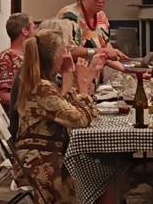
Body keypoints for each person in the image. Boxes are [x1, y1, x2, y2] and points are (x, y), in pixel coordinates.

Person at [15, 29, 98, 203]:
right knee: (98, 171)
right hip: (39, 160)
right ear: (54, 56)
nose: (68, 56)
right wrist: (82, 84)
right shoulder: (42, 87)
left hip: (48, 151)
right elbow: (79, 120)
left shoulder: (43, 82)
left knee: (98, 168)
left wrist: (68, 75)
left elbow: (64, 109)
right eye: (65, 50)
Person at [57, 0, 128, 71]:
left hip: (93, 77)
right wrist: (99, 51)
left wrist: (127, 69)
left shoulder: (101, 16)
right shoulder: (68, 15)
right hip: (72, 76)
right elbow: (67, 51)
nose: (101, 0)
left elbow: (106, 51)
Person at [0, 13, 35, 110]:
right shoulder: (5, 59)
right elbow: (3, 96)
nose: (36, 32)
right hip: (20, 113)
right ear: (25, 31)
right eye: (33, 28)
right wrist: (34, 103)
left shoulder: (31, 56)